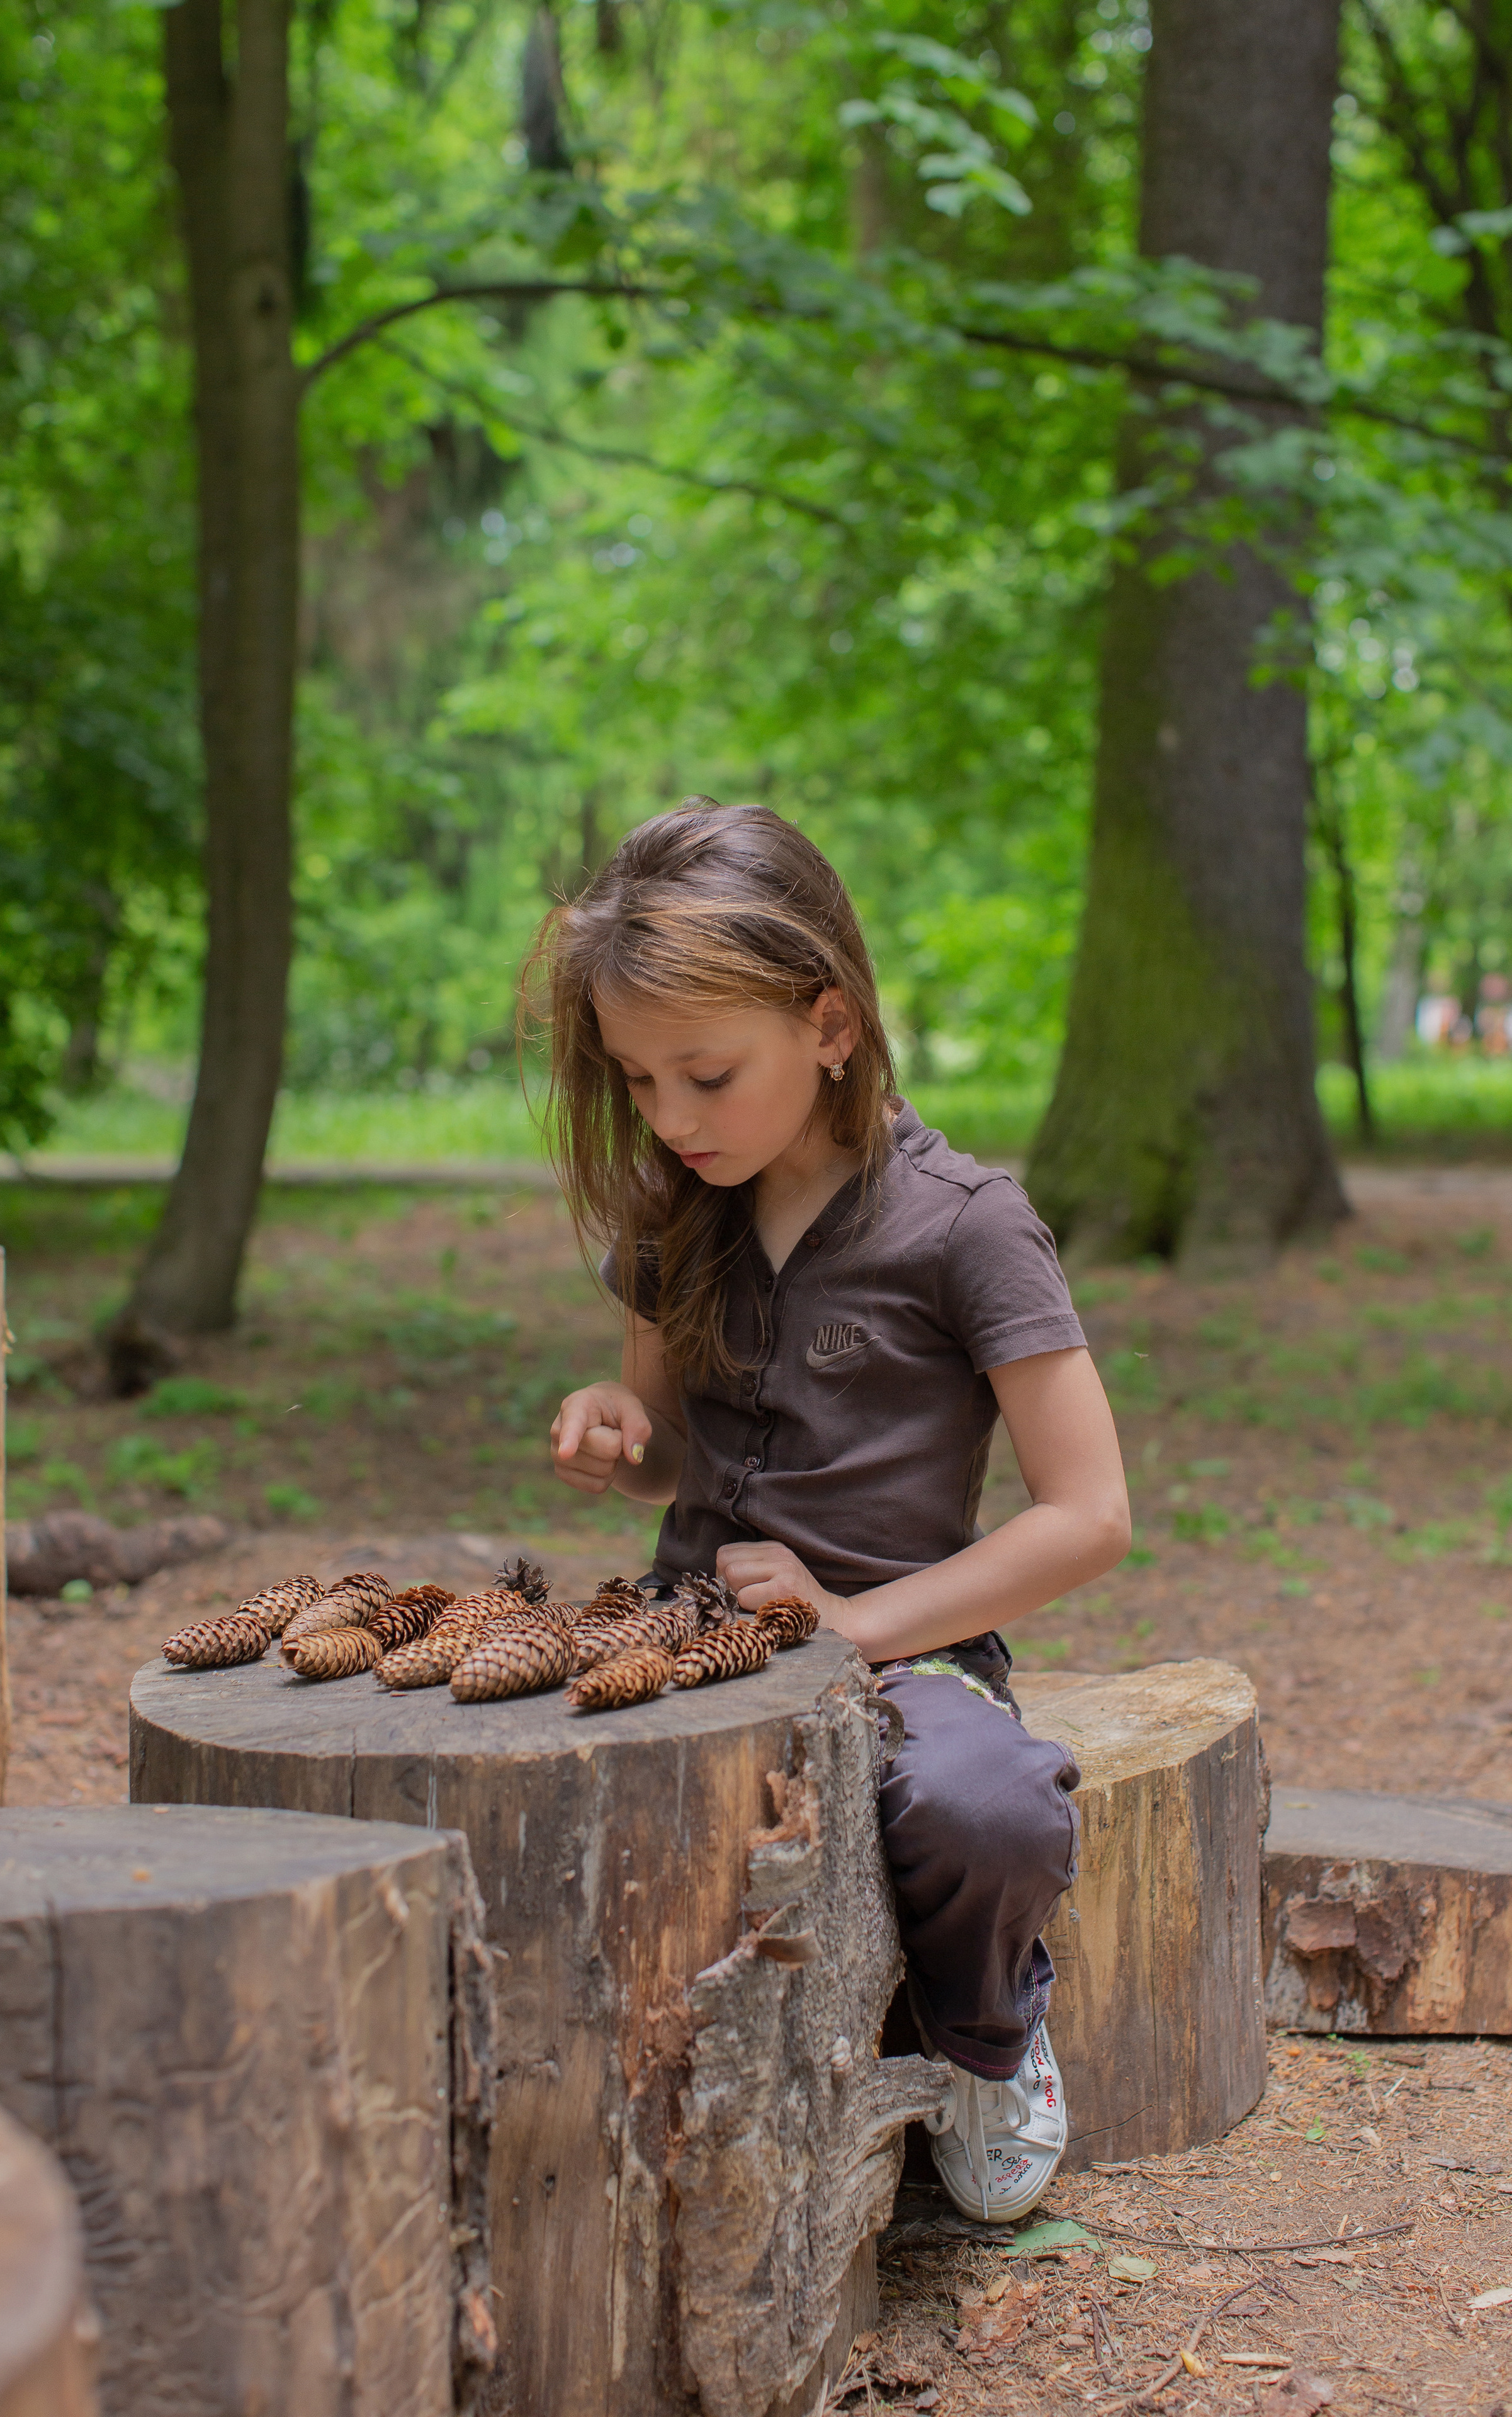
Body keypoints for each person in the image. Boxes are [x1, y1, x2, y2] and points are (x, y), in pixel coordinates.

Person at [525, 798, 1131, 2224]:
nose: (669, 1120)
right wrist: (623, 1439)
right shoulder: (677, 1212)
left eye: (706, 1075)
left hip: (901, 1653)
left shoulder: (966, 1226)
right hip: (677, 1636)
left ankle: (986, 2036)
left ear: (831, 1026)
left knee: (984, 1808)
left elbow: (1090, 1514)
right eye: (636, 1081)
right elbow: (674, 1448)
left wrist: (856, 1619)